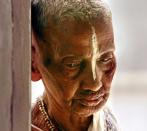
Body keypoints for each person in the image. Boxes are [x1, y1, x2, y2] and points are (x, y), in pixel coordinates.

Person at [31, 0, 120, 130]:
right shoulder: (19, 125)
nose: (95, 85)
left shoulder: (108, 123)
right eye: (72, 64)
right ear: (33, 63)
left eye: (105, 59)